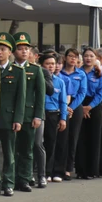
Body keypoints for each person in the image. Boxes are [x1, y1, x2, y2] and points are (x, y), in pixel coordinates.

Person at [0, 33, 25, 197]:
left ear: (10, 52)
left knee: (9, 153)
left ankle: (8, 183)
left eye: (3, 49)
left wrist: (18, 119)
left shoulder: (17, 71)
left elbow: (20, 97)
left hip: (9, 118)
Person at [12, 32, 45, 192]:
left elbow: (40, 95)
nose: (24, 51)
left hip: (28, 115)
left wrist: (38, 115)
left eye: (26, 48)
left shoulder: (35, 70)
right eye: (20, 48)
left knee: (26, 149)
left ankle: (24, 178)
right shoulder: (9, 68)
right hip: (11, 114)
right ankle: (10, 178)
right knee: (11, 149)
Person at [57, 49, 87, 180]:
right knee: (62, 137)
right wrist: (64, 107)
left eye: (76, 57)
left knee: (73, 137)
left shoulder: (81, 74)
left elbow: (82, 92)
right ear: (65, 57)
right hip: (60, 106)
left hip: (75, 107)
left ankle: (69, 168)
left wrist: (71, 107)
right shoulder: (59, 72)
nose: (73, 59)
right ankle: (59, 167)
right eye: (70, 56)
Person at [75, 48, 102, 179]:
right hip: (78, 104)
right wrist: (81, 107)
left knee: (94, 137)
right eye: (86, 56)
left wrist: (89, 107)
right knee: (80, 137)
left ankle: (92, 170)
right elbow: (75, 91)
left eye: (91, 56)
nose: (88, 58)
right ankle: (80, 169)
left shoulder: (100, 74)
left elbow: (100, 93)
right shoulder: (78, 72)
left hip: (94, 106)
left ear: (96, 59)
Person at [41, 53, 67, 182]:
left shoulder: (60, 82)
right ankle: (39, 171)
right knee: (38, 144)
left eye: (53, 64)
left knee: (51, 143)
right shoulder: (38, 78)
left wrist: (63, 118)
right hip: (40, 114)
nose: (51, 66)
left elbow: (63, 102)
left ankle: (48, 171)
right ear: (42, 65)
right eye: (47, 64)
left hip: (53, 114)